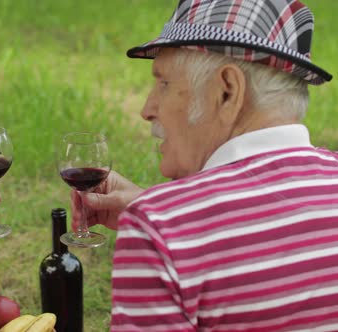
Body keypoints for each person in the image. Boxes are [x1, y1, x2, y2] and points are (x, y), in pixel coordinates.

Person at [69, 0, 338, 330]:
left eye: (164, 83)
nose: (147, 108)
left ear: (227, 91)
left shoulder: (156, 229)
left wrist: (164, 226)